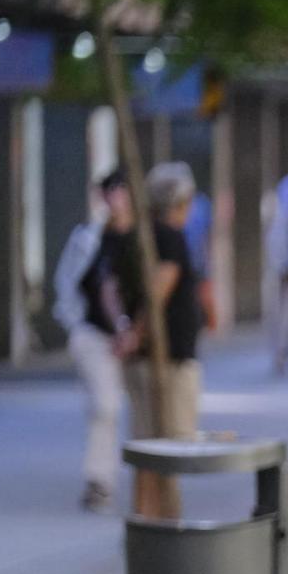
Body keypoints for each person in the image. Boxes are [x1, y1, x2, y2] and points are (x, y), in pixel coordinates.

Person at [124, 162, 207, 517]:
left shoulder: (144, 234)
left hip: (154, 356)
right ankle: (162, 519)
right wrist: (138, 333)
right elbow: (160, 288)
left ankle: (147, 517)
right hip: (166, 359)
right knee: (167, 444)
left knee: (149, 442)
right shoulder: (169, 237)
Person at [53, 170, 138, 513]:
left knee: (138, 410)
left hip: (138, 340)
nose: (117, 198)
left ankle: (147, 480)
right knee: (106, 406)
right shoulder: (89, 238)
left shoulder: (142, 238)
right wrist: (75, 325)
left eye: (123, 190)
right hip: (95, 335)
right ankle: (99, 481)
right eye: (111, 192)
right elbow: (68, 282)